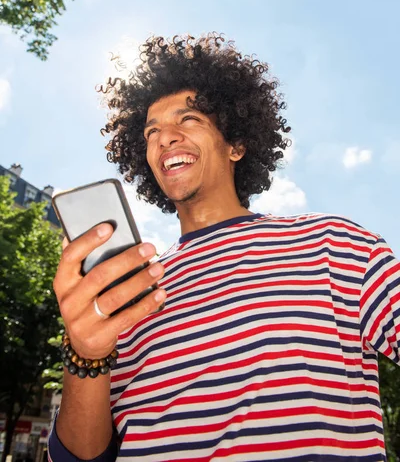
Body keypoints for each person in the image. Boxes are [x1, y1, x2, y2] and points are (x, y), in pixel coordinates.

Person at [49, 34, 399, 462]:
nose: (165, 138)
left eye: (190, 119)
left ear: (236, 144)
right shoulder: (127, 296)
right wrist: (85, 354)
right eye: (151, 132)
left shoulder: (337, 246)